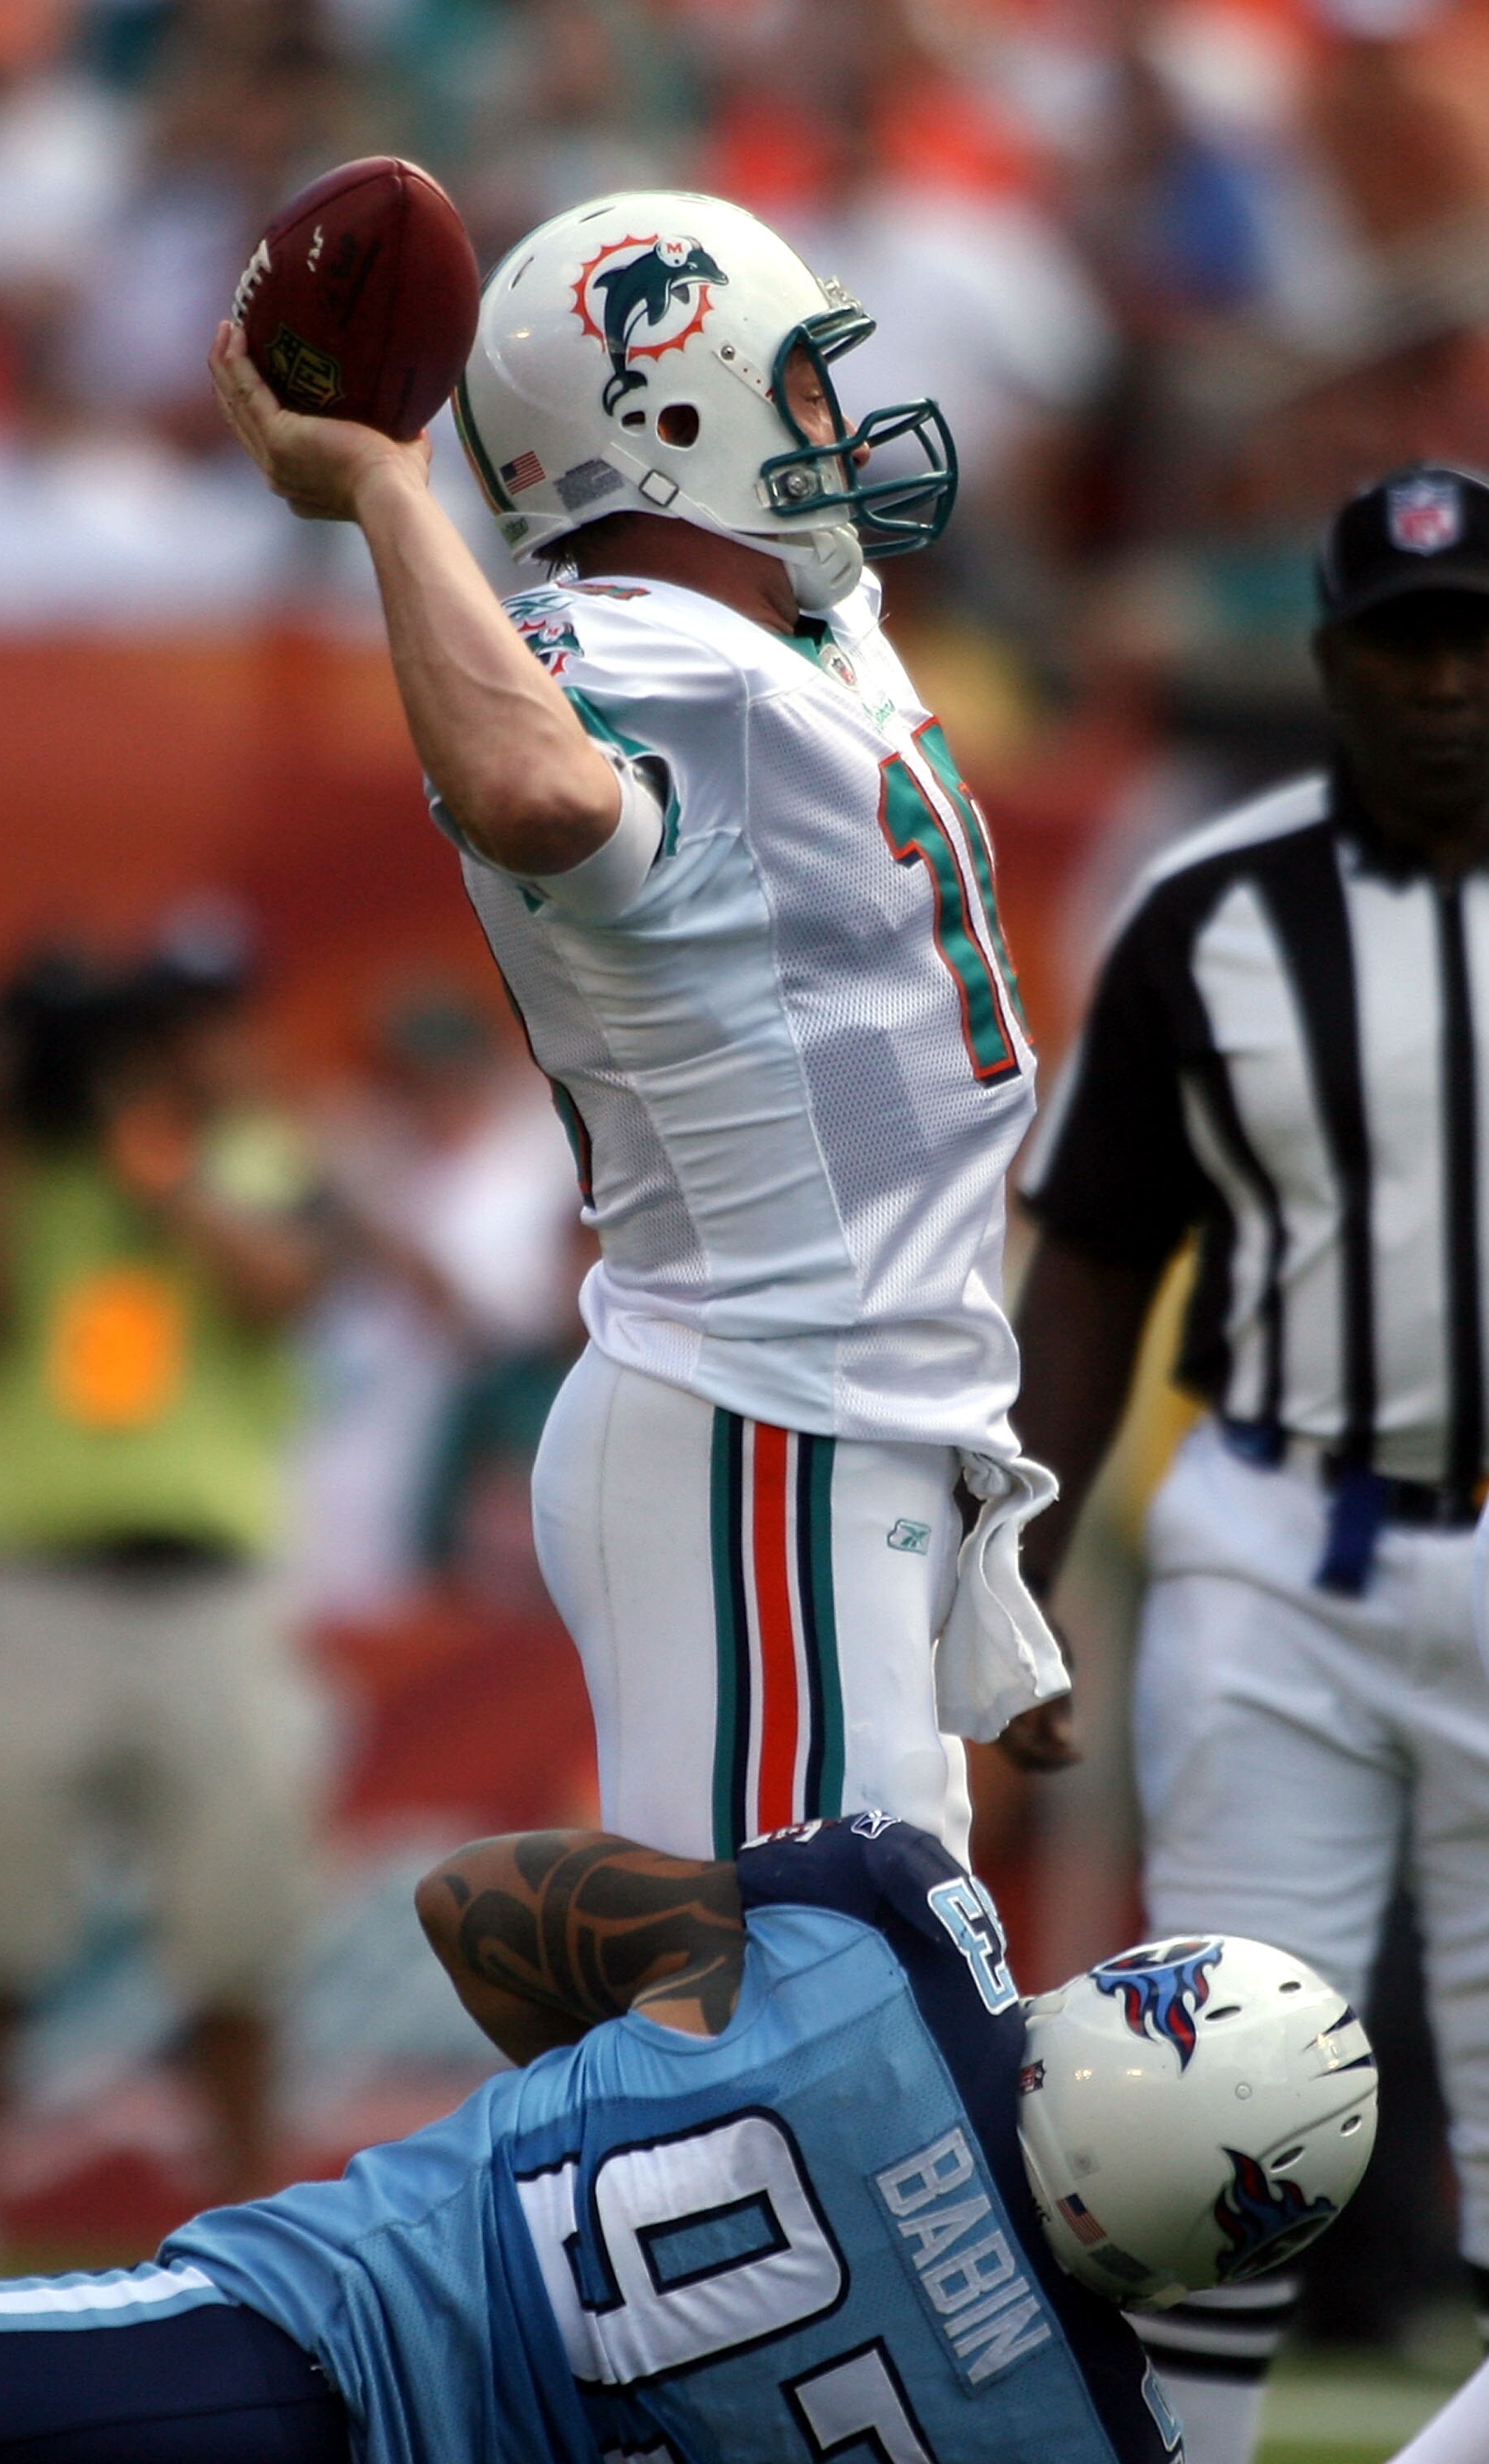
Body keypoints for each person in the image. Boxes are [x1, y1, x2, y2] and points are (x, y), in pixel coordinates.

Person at [210, 187, 1067, 1869]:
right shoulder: (612, 649)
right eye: (796, 381)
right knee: (798, 2028)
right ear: (671, 422)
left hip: (851, 1407)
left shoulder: (796, 634)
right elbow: (530, 790)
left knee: (848, 2019)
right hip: (762, 1411)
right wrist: (387, 487)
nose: (833, 418)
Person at [0, 1809, 1376, 2462]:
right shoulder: (1073, 2444)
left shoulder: (879, 1944)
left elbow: (476, 1904)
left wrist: (613, 2080)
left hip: (279, 2361)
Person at [1011, 462, 1489, 2464]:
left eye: (1473, 641)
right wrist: (1007, 1567)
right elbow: (1096, 1255)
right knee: (1218, 2095)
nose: (1444, 685)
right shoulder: (1205, 911)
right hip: (1271, 1538)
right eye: (1402, 647)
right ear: (1327, 667)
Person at [0, 927, 328, 2286]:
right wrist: (4, 1140)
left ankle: (249, 2217)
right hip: (34, 1589)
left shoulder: (246, 1161)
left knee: (237, 1927)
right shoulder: (6, 1175)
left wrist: (170, 1173)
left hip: (210, 1594)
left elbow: (283, 1292)